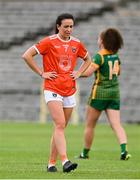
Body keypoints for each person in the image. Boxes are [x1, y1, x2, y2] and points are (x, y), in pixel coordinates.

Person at [22, 13, 91, 173]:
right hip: (52, 88)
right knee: (60, 124)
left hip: (69, 89)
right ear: (58, 26)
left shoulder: (77, 43)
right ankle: (65, 161)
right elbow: (26, 55)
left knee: (59, 128)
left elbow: (88, 59)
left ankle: (51, 164)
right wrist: (41, 72)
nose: (69, 29)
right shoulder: (49, 41)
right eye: (65, 26)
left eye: (71, 26)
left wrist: (79, 73)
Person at [78, 28, 131, 160]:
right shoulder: (115, 56)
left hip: (100, 94)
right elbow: (118, 73)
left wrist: (76, 74)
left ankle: (85, 153)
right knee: (116, 124)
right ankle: (124, 150)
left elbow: (89, 72)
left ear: (102, 41)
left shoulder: (99, 56)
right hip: (114, 93)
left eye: (99, 38)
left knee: (90, 125)